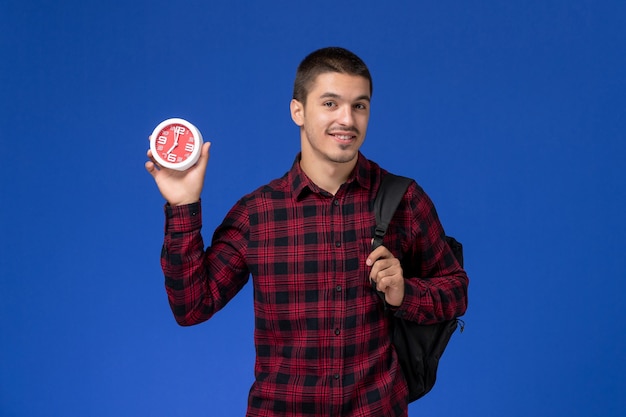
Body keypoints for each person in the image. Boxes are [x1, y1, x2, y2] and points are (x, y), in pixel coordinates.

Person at [145, 46, 468, 417]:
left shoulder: (404, 200)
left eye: (359, 105)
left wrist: (404, 292)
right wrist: (184, 205)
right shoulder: (257, 213)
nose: (347, 119)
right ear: (297, 110)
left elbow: (456, 291)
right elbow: (192, 306)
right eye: (330, 103)